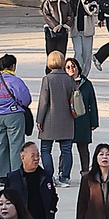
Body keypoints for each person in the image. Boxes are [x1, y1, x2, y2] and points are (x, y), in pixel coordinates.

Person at [0, 53, 32, 183]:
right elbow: (25, 99)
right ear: (13, 66)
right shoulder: (15, 80)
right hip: (14, 114)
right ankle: (16, 173)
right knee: (16, 144)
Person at [36, 50, 78, 184]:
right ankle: (65, 176)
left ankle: (49, 176)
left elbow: (44, 102)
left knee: (45, 149)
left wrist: (39, 119)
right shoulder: (69, 79)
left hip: (50, 118)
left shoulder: (47, 79)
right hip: (67, 118)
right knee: (66, 149)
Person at [7, 140, 59, 219]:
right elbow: (6, 199)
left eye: (38, 155)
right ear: (23, 158)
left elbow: (53, 197)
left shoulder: (45, 176)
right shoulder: (13, 178)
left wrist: (51, 211)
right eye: (32, 155)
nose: (36, 159)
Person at [69, 58, 99, 175]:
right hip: (68, 121)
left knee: (84, 149)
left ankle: (86, 171)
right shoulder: (64, 83)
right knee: (66, 150)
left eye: (73, 66)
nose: (72, 68)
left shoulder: (86, 84)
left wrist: (94, 122)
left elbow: (93, 103)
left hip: (83, 121)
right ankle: (64, 173)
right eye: (68, 67)